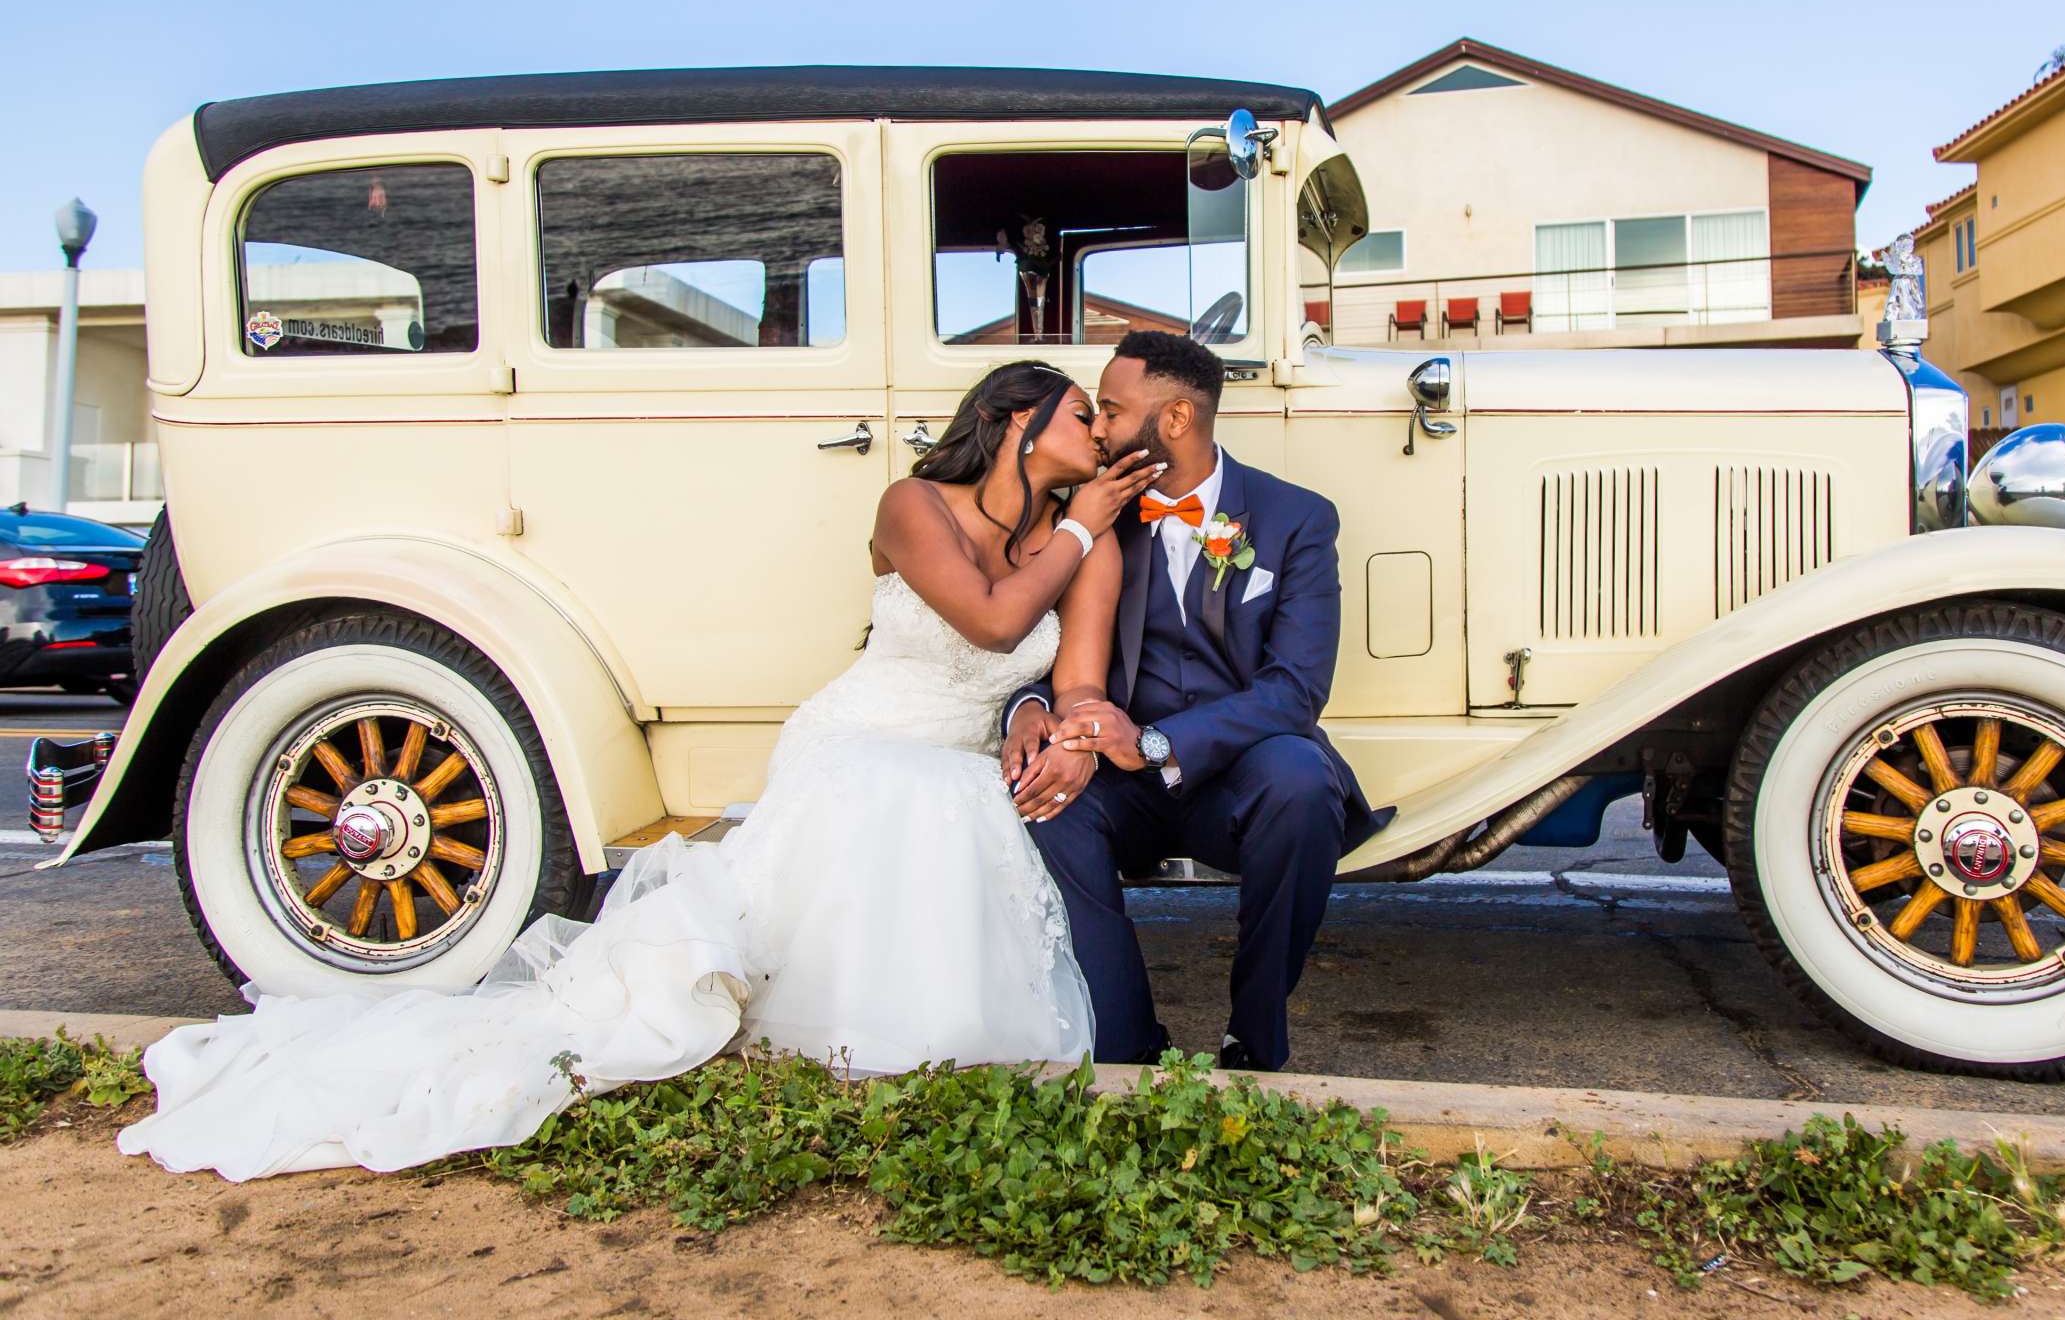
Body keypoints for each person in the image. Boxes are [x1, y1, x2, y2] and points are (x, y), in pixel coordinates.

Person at [118, 361, 1159, 1182]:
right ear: (1017, 422)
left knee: (958, 793)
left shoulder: (1094, 549)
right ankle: (862, 1044)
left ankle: (909, 1051)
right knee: (908, 797)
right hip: (859, 735)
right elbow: (990, 615)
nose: (1103, 436)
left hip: (952, 746)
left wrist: (1062, 726)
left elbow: (1068, 675)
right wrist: (1077, 526)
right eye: (1082, 414)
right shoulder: (914, 504)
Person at [1003, 333, 1389, 1072]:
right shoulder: (1090, 516)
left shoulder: (1297, 519)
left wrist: (1155, 743)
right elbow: (1034, 649)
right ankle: (1124, 1041)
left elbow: (1297, 688)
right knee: (1044, 797)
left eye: (1111, 411)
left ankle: (1254, 1037)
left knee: (1303, 783)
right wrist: (1027, 711)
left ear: (1176, 418)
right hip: (1116, 786)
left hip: (1239, 776)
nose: (1098, 429)